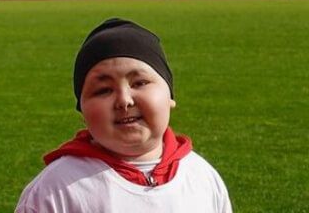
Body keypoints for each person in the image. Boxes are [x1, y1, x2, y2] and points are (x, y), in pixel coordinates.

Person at [16, 19, 232, 213]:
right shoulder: (55, 191)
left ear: (170, 96)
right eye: (103, 90)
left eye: (140, 83)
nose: (124, 100)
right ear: (82, 111)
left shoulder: (201, 177)